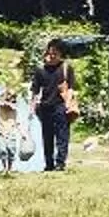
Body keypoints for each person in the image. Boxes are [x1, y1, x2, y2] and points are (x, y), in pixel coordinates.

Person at [32, 40, 76, 172]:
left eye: (55, 53)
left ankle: (60, 163)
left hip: (61, 106)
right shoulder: (40, 70)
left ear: (60, 54)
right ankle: (49, 163)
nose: (51, 56)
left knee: (62, 136)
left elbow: (72, 88)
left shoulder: (66, 68)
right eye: (49, 53)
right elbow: (35, 89)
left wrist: (68, 103)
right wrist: (33, 105)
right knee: (47, 136)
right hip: (45, 107)